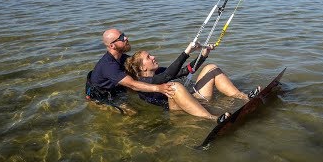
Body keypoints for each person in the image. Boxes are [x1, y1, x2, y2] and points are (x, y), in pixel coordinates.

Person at [124, 40, 261, 122]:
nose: (153, 56)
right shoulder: (143, 82)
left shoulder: (160, 71)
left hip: (192, 101)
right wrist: (187, 51)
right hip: (178, 110)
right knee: (173, 86)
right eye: (148, 57)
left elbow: (187, 70)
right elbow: (166, 77)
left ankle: (245, 97)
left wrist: (203, 55)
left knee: (211, 68)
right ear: (142, 67)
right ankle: (213, 118)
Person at [85, 28, 175, 115]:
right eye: (121, 38)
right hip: (100, 97)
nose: (126, 38)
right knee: (133, 113)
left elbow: (140, 67)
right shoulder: (109, 66)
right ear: (112, 46)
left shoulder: (122, 57)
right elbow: (132, 84)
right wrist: (159, 88)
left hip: (116, 89)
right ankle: (95, 106)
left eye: (123, 35)